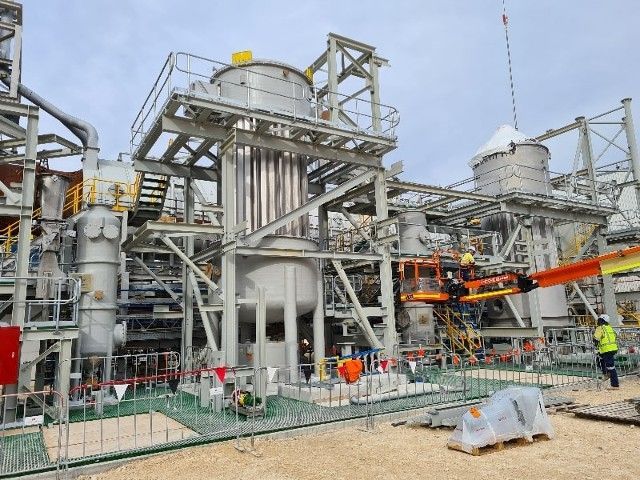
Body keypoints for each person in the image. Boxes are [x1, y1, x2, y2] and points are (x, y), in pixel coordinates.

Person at [593, 314, 619, 389]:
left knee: (611, 367)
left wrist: (595, 346)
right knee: (599, 359)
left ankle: (615, 385)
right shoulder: (609, 328)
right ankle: (606, 374)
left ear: (601, 320)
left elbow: (596, 339)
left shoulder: (600, 328)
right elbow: (614, 336)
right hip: (612, 348)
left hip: (607, 349)